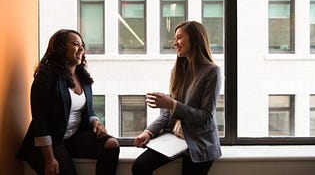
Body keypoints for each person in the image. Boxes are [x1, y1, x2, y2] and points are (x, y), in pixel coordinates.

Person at [16, 29, 119, 175]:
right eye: (76, 44)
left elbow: (88, 110)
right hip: (51, 143)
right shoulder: (46, 77)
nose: (81, 48)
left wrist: (96, 122)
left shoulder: (82, 77)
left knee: (111, 144)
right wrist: (49, 159)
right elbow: (41, 121)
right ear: (60, 48)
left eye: (82, 45)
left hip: (73, 136)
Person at [132, 21, 222, 175]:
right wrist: (148, 132)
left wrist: (172, 104)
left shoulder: (212, 72)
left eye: (179, 38)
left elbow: (206, 117)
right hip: (175, 139)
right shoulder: (178, 70)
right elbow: (168, 113)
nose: (174, 43)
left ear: (194, 39)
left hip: (199, 143)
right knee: (139, 167)